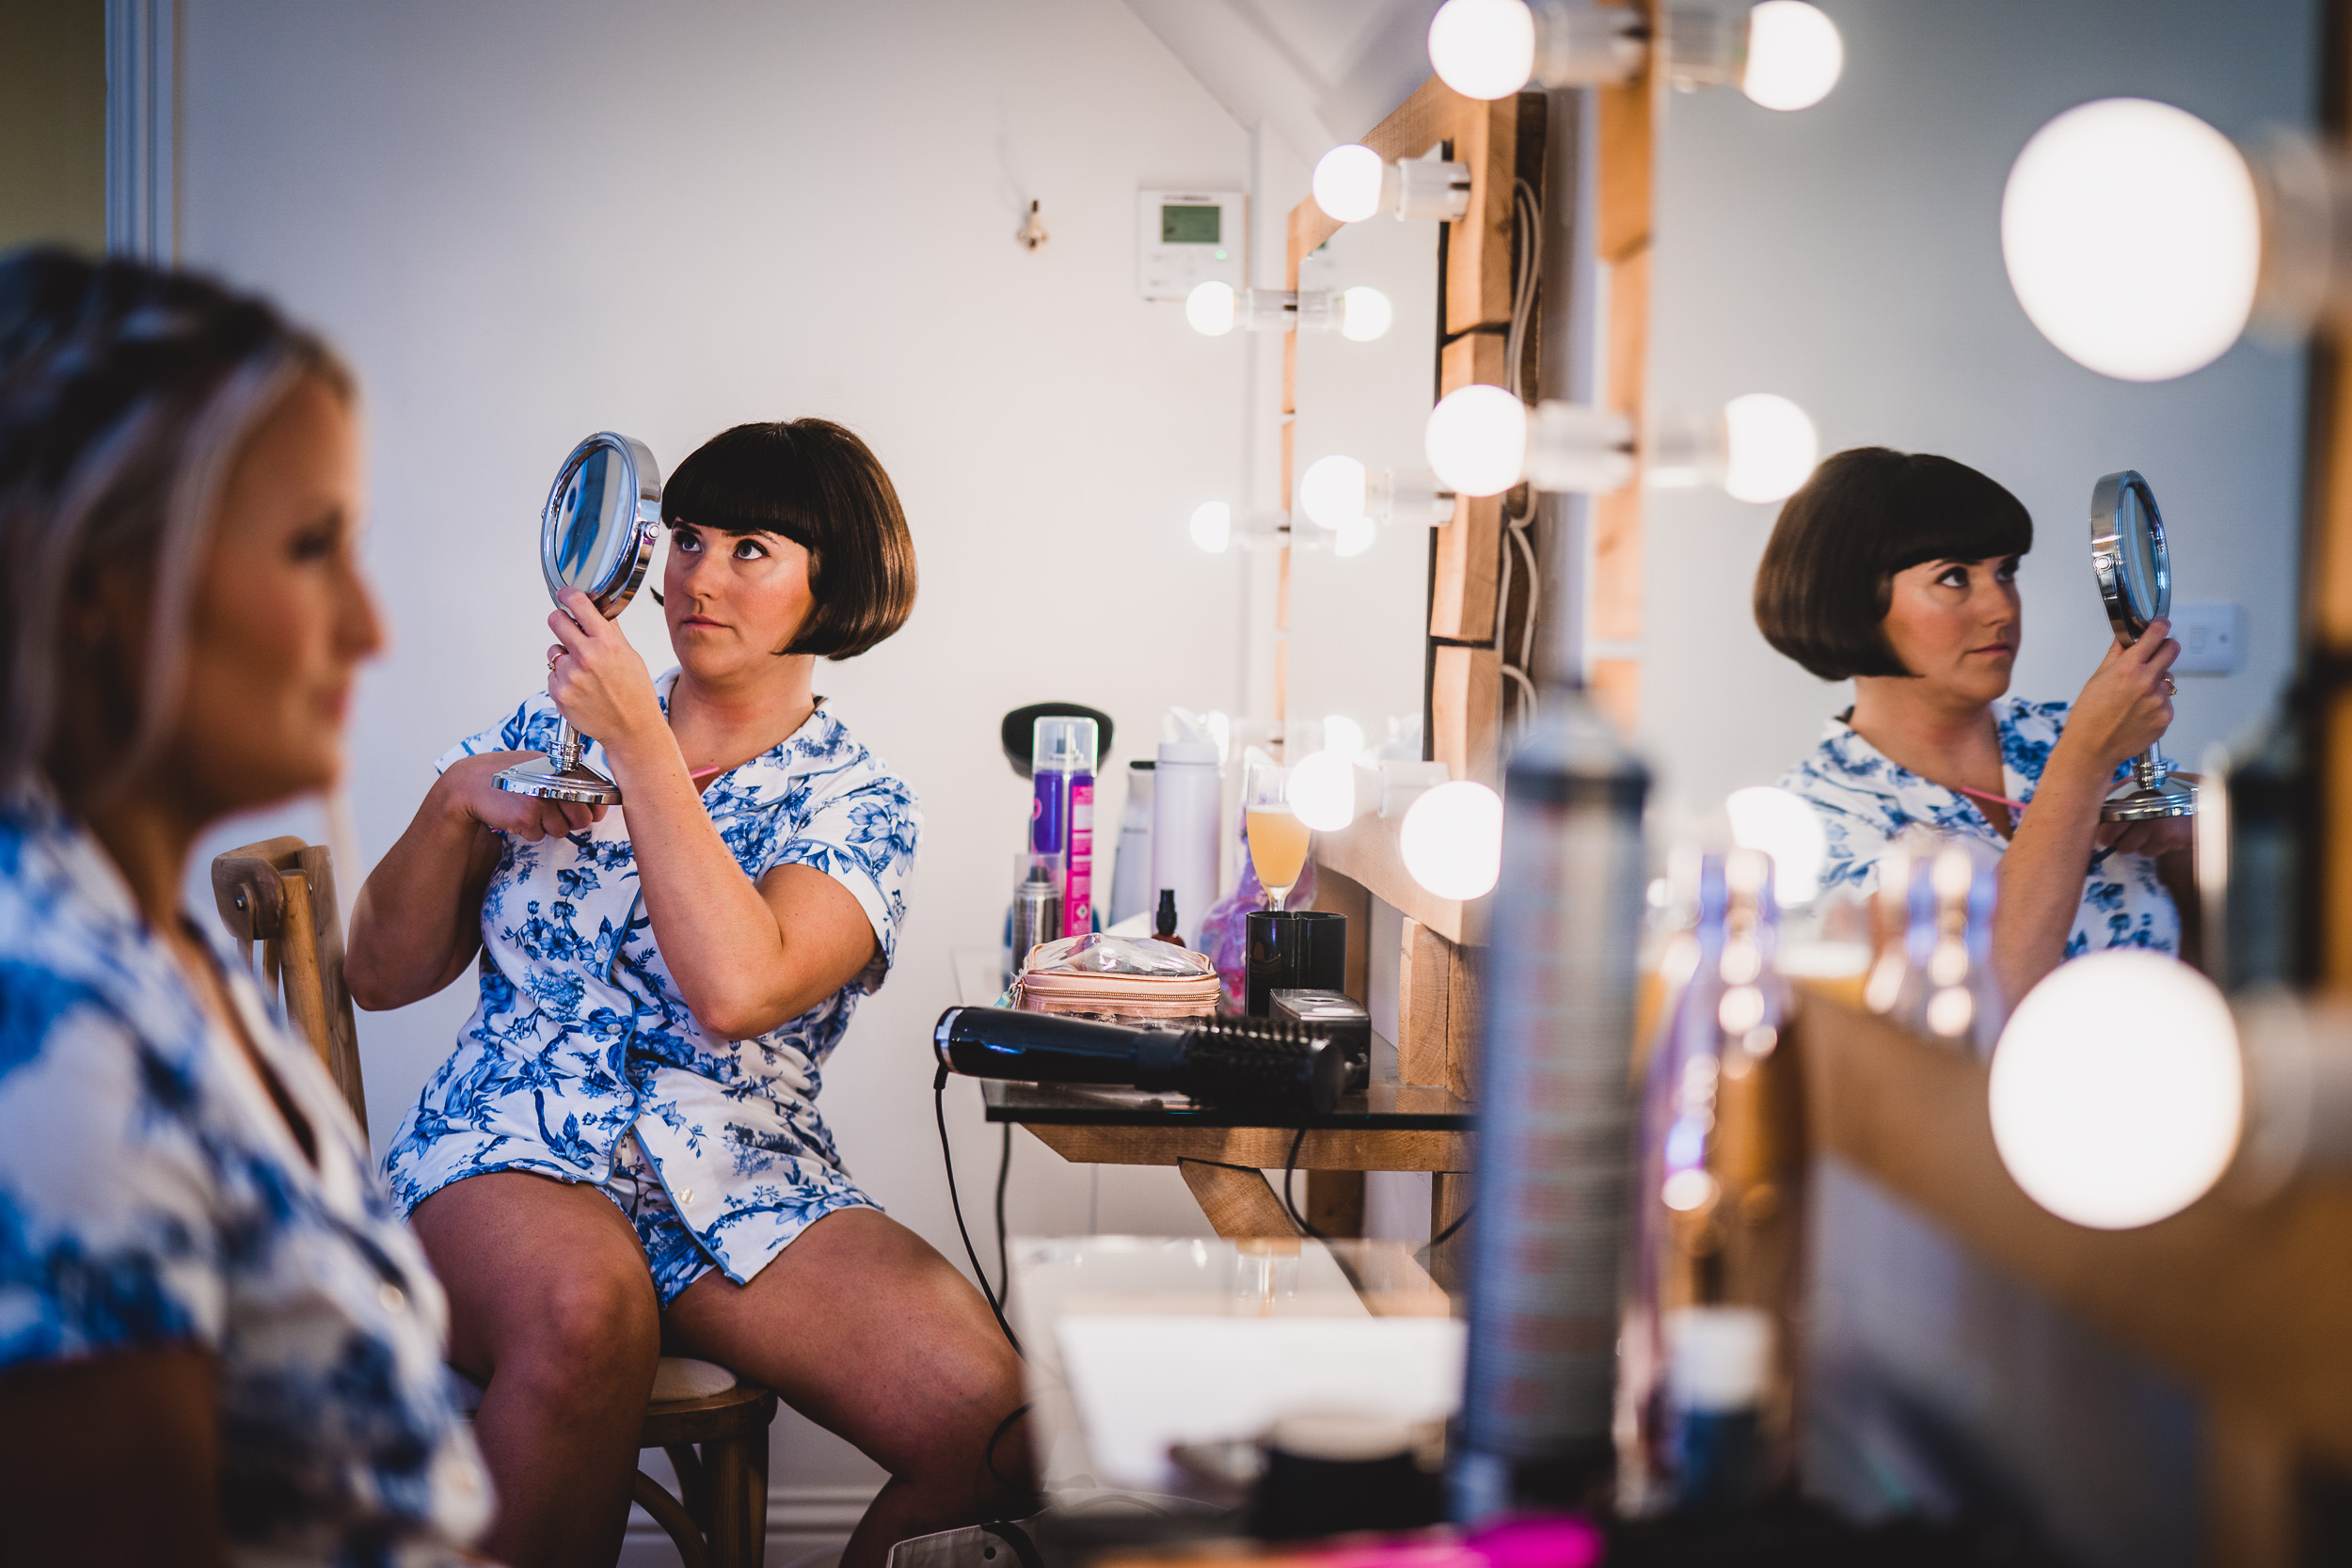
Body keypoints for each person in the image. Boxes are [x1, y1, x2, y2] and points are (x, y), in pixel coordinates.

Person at [349, 420, 1027, 1568]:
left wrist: (640, 752)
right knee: (585, 1310)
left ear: (837, 586)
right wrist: (459, 799)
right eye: (688, 537)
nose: (697, 576)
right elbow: (377, 974)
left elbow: (738, 989)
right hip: (507, 1143)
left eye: (751, 548)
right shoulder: (539, 733)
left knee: (996, 1423)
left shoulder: (857, 805)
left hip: (741, 1174)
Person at [0, 249, 491, 1564]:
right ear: (96, 584)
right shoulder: (45, 1033)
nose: (370, 627)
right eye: (310, 547)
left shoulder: (144, 939)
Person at [1756, 447, 2188, 1001]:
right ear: (1850, 598)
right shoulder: (1812, 824)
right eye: (1955, 577)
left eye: (2006, 571)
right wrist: (2082, 765)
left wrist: (2196, 825)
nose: (2002, 608)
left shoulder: (2067, 732)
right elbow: (1979, 993)